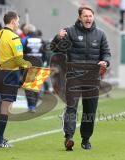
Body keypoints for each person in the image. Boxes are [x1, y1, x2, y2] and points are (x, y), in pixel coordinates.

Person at [51, 6, 111, 151]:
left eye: (90, 16)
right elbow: (55, 48)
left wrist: (106, 62)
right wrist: (57, 38)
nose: (88, 18)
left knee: (90, 111)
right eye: (85, 16)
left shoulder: (101, 34)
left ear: (93, 17)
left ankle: (86, 139)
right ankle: (69, 138)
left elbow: (106, 53)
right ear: (80, 17)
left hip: (92, 78)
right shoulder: (69, 32)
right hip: (73, 77)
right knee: (71, 108)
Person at [0, 11, 32, 148]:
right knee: (6, 107)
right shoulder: (14, 38)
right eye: (18, 21)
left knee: (6, 105)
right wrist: (29, 65)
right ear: (13, 21)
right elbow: (19, 60)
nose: (18, 23)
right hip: (9, 75)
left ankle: (0, 138)